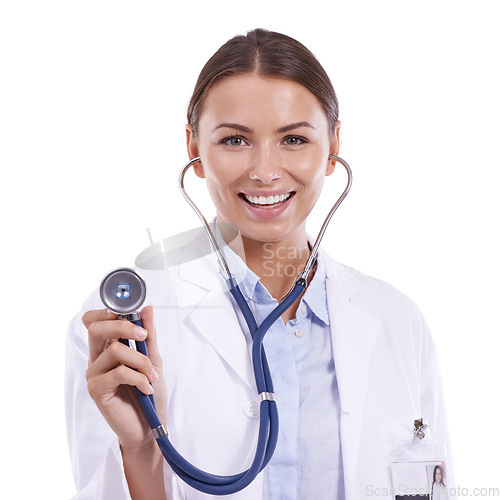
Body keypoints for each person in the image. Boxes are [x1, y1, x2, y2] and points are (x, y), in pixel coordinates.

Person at [66, 28, 453, 499]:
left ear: (332, 148)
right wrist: (144, 447)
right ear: (194, 148)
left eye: (293, 139)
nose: (266, 170)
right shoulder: (128, 325)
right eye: (234, 140)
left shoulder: (397, 319)